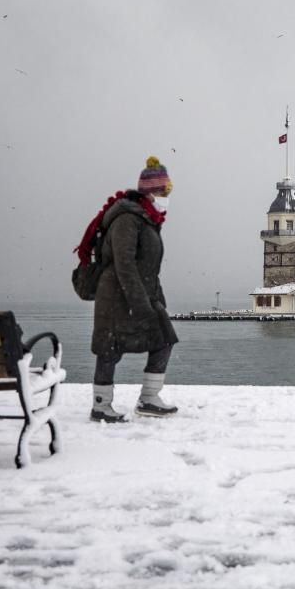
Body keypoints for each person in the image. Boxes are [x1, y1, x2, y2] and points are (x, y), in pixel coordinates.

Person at [89, 156, 179, 422]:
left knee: (163, 339)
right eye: (165, 192)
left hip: (141, 292)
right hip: (117, 296)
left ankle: (149, 399)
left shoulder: (147, 219)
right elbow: (124, 263)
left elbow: (148, 266)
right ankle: (101, 406)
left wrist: (155, 298)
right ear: (152, 192)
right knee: (109, 348)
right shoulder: (128, 218)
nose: (167, 197)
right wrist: (139, 303)